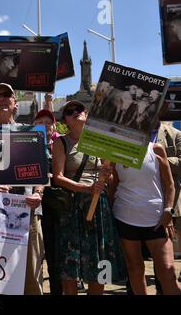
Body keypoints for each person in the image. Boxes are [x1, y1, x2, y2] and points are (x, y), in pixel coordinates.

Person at [52, 100, 125, 295]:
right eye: (70, 111)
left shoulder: (98, 142)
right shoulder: (60, 143)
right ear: (65, 120)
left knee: (100, 257)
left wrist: (107, 173)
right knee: (71, 259)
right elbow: (58, 177)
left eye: (80, 109)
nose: (76, 112)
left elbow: (108, 176)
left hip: (98, 205)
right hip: (73, 206)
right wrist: (86, 188)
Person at [0, 83, 45, 295]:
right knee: (0, 277)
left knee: (31, 276)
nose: (1, 98)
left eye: (7, 95)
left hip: (28, 211)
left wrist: (38, 192)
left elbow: (43, 170)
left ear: (15, 102)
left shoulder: (30, 132)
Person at [111, 141, 181, 295]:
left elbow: (169, 184)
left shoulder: (156, 148)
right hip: (125, 217)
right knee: (135, 268)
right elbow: (113, 185)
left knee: (167, 273)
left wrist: (169, 210)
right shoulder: (114, 150)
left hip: (156, 219)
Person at [33, 107, 63, 295]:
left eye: (48, 122)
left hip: (54, 207)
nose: (44, 126)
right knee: (34, 256)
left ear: (54, 126)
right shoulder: (25, 144)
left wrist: (54, 176)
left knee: (54, 254)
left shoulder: (60, 145)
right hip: (32, 205)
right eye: (40, 122)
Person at [156, 122, 181, 282]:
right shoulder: (132, 131)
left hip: (169, 197)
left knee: (169, 243)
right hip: (139, 201)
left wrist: (158, 158)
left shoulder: (175, 134)